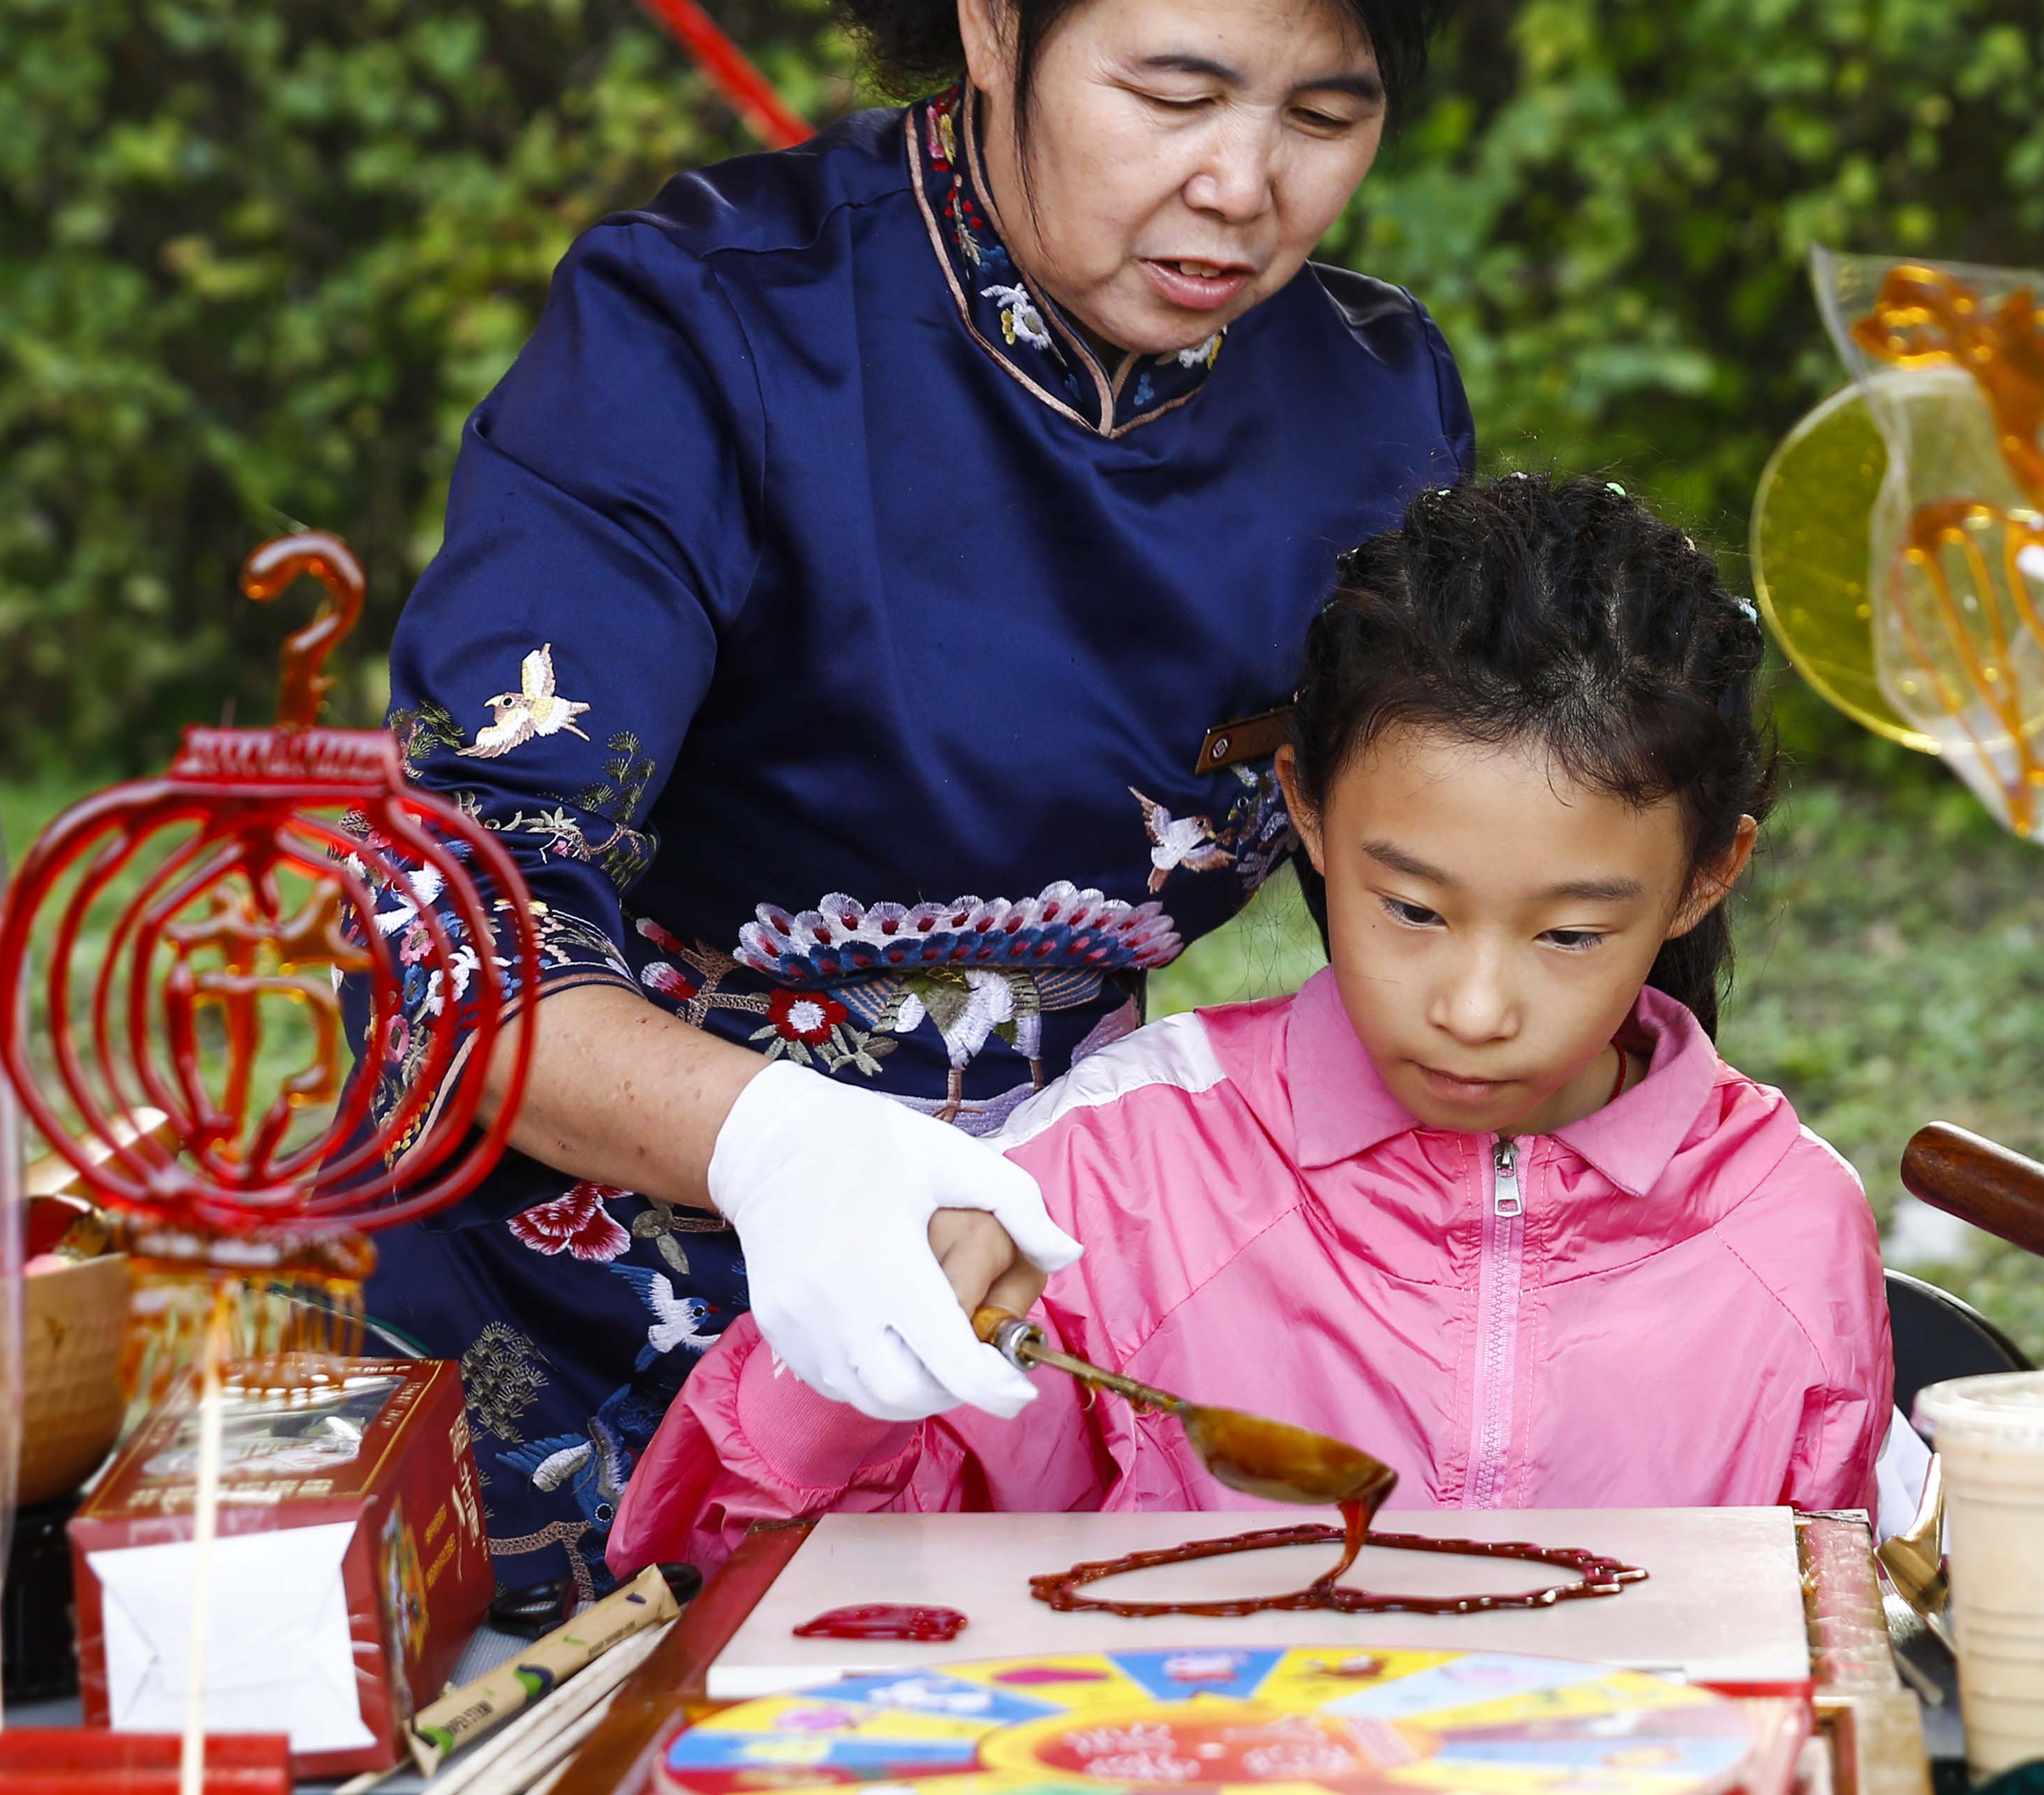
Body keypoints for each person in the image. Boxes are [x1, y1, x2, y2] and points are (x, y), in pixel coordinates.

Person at [362, 0, 1469, 1591]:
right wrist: (785, 1148)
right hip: (555, 1370)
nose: (1243, 187)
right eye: (1173, 90)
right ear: (991, 5)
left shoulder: (1366, 412)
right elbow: (453, 942)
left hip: (1009, 1348)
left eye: (1324, 112)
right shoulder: (698, 340)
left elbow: (1463, 886)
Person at [608, 476, 1897, 1579]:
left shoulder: (1786, 1230)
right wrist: (850, 1366)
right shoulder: (1121, 1177)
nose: (1475, 1007)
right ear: (1309, 813)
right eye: (1412, 907)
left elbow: (1834, 1646)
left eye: (1570, 933)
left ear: (1704, 877)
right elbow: (774, 1569)